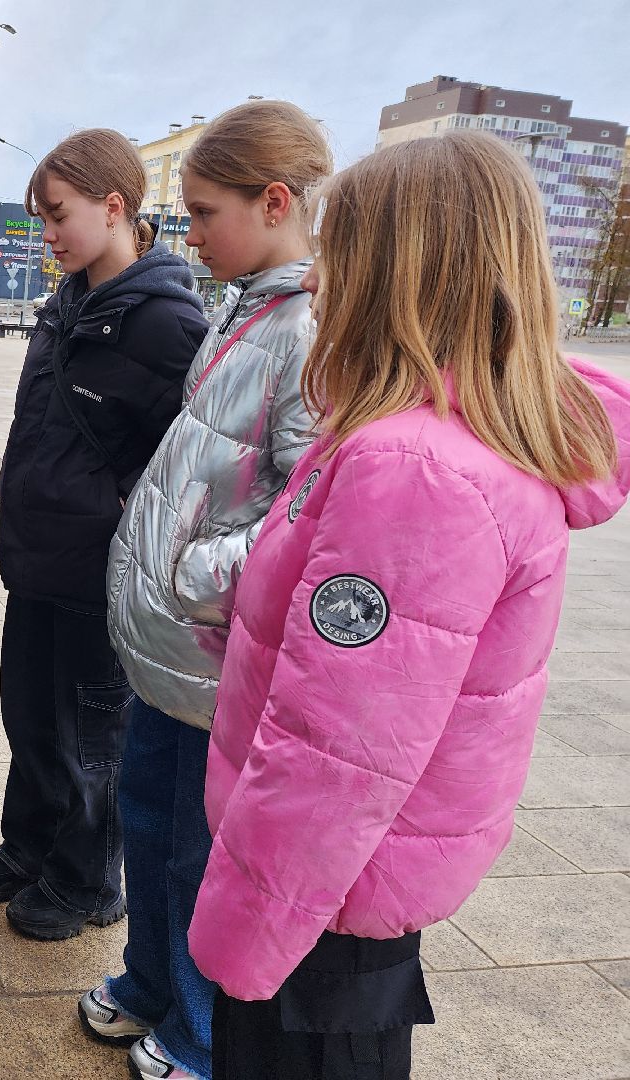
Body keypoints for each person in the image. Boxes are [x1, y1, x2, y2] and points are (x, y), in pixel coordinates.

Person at [188, 132, 630, 1079]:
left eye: (335, 254)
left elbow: (337, 753)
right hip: (352, 891)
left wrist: (244, 937)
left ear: (395, 271)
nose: (313, 283)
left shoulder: (414, 469)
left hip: (315, 917)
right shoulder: (435, 438)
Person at [89, 100, 333, 1080]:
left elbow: (310, 512)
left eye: (201, 211)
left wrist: (192, 574)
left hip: (217, 659)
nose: (187, 233)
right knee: (144, 824)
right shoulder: (246, 304)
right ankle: (149, 979)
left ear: (274, 202)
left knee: (201, 859)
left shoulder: (314, 332)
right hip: (172, 659)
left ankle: (197, 1034)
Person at [0, 129, 208, 940]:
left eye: (58, 216)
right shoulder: (67, 300)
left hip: (97, 572)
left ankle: (87, 881)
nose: (48, 236)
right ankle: (29, 846)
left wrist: (116, 528)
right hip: (36, 557)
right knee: (30, 717)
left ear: (115, 208)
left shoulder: (169, 324)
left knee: (89, 735)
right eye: (39, 220)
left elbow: (182, 472)